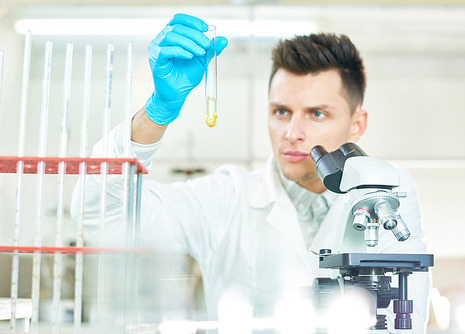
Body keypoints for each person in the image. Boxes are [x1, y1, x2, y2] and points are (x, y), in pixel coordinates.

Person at [71, 13, 430, 333]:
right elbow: (100, 214)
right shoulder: (226, 198)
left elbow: (406, 319)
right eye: (281, 112)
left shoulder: (387, 194)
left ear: (356, 125)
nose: (292, 133)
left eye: (317, 114)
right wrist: (157, 111)